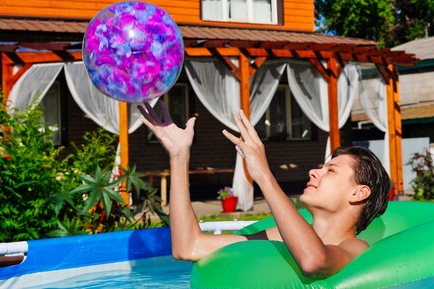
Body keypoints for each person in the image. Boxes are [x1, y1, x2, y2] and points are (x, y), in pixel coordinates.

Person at [138, 101, 391, 278]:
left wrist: (263, 174)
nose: (314, 172)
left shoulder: (356, 249)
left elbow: (314, 261)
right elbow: (188, 247)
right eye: (320, 168)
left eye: (331, 170)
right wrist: (179, 156)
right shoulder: (278, 236)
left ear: (359, 193)